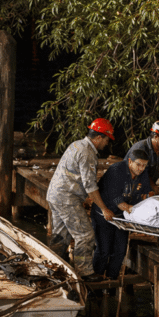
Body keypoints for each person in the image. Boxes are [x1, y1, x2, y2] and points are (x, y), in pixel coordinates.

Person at [46, 118, 116, 281]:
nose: (107, 143)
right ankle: (84, 272)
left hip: (55, 194)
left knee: (60, 235)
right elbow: (90, 185)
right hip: (67, 198)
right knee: (85, 235)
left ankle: (52, 268)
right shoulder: (87, 153)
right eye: (106, 139)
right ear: (98, 137)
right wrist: (104, 208)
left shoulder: (76, 144)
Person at [92, 148, 152, 283]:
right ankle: (95, 284)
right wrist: (134, 211)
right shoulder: (116, 170)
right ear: (130, 162)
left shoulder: (143, 172)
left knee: (120, 250)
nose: (141, 168)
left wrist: (149, 202)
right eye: (138, 164)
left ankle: (111, 281)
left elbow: (145, 194)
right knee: (103, 250)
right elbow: (117, 200)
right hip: (104, 213)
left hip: (122, 216)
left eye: (144, 165)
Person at [125, 121, 159, 194]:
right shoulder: (140, 148)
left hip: (144, 186)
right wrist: (154, 187)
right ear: (156, 137)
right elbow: (141, 173)